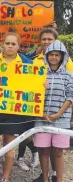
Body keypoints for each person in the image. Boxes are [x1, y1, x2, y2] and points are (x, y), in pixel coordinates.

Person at [0, 32, 34, 182]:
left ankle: (5, 177)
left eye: (13, 44)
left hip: (14, 111)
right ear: (2, 45)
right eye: (7, 43)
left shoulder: (27, 63)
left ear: (18, 46)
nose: (10, 46)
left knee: (9, 148)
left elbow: (33, 84)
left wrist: (42, 84)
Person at [32, 40, 73, 182]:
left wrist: (58, 115)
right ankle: (44, 179)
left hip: (61, 120)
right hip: (41, 118)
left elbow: (71, 96)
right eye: (51, 54)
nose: (54, 57)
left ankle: (59, 180)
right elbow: (33, 94)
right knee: (43, 150)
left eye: (57, 55)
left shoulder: (68, 75)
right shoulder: (39, 73)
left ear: (62, 57)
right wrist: (41, 112)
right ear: (46, 55)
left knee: (58, 152)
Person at [14, 41, 39, 171]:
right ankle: (34, 151)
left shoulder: (31, 59)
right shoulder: (10, 58)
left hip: (26, 102)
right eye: (21, 46)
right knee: (16, 133)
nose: (22, 49)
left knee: (23, 133)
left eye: (25, 46)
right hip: (10, 101)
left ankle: (21, 158)